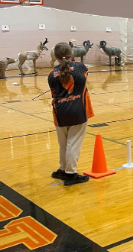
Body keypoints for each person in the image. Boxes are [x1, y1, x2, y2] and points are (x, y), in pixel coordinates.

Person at [48, 42, 94, 186]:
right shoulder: (81, 67)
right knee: (73, 144)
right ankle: (70, 174)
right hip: (77, 111)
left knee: (63, 144)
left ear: (55, 56)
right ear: (71, 54)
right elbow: (84, 77)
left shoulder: (51, 74)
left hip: (59, 112)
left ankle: (62, 169)